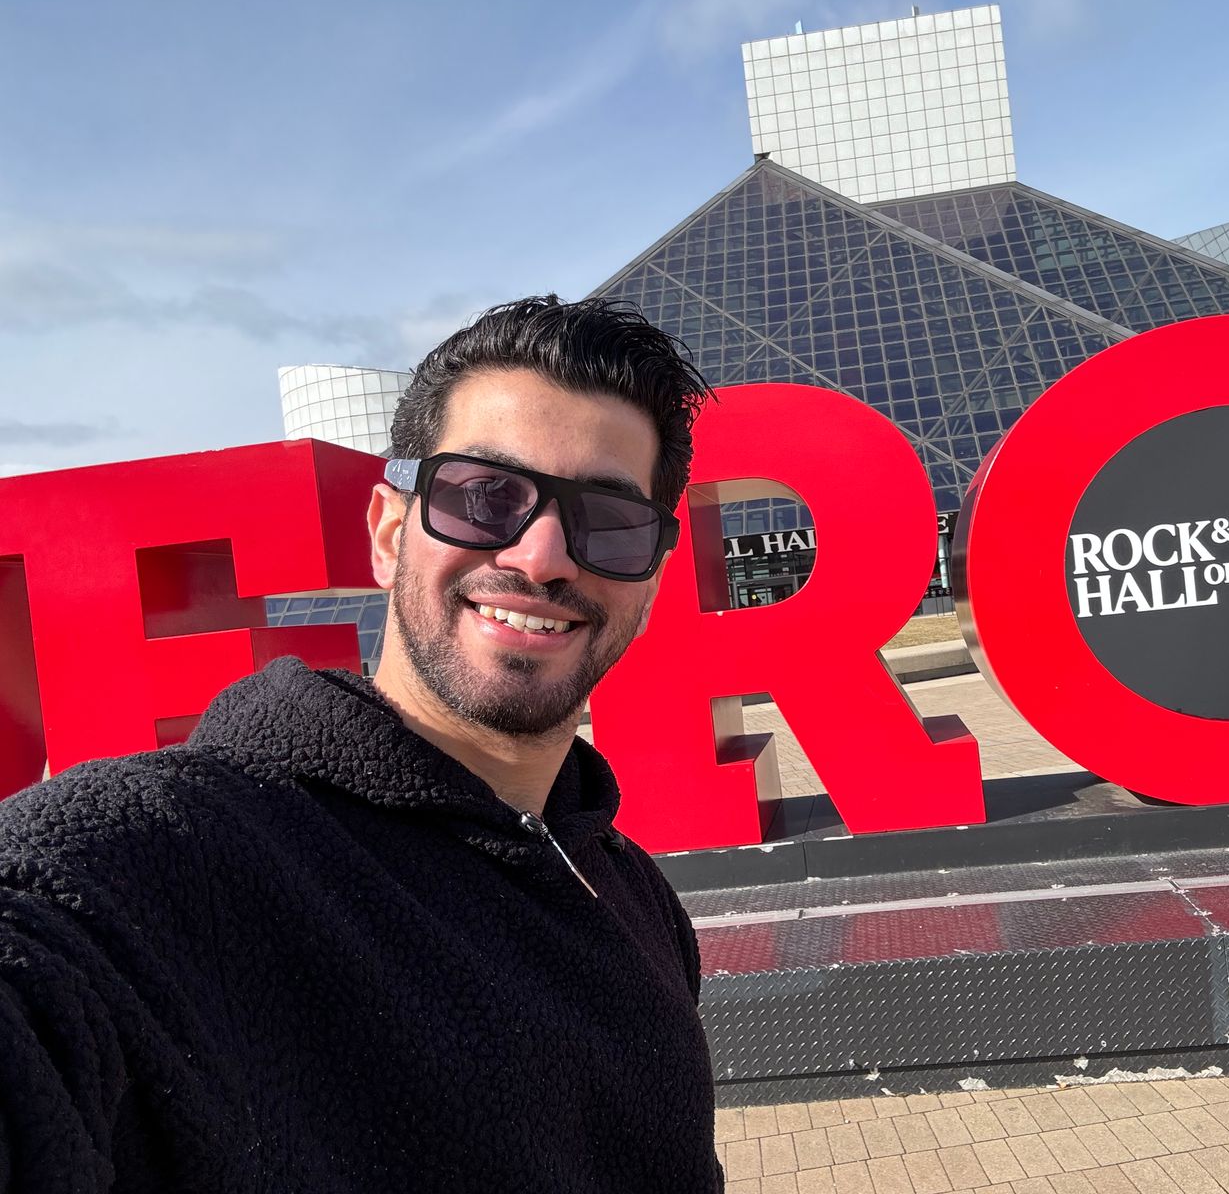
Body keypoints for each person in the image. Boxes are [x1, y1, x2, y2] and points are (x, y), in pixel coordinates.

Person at [0, 296, 724, 1192]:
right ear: (387, 534)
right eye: (484, 497)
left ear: (649, 583)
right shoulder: (171, 860)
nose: (541, 557)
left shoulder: (630, 889)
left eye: (608, 522)